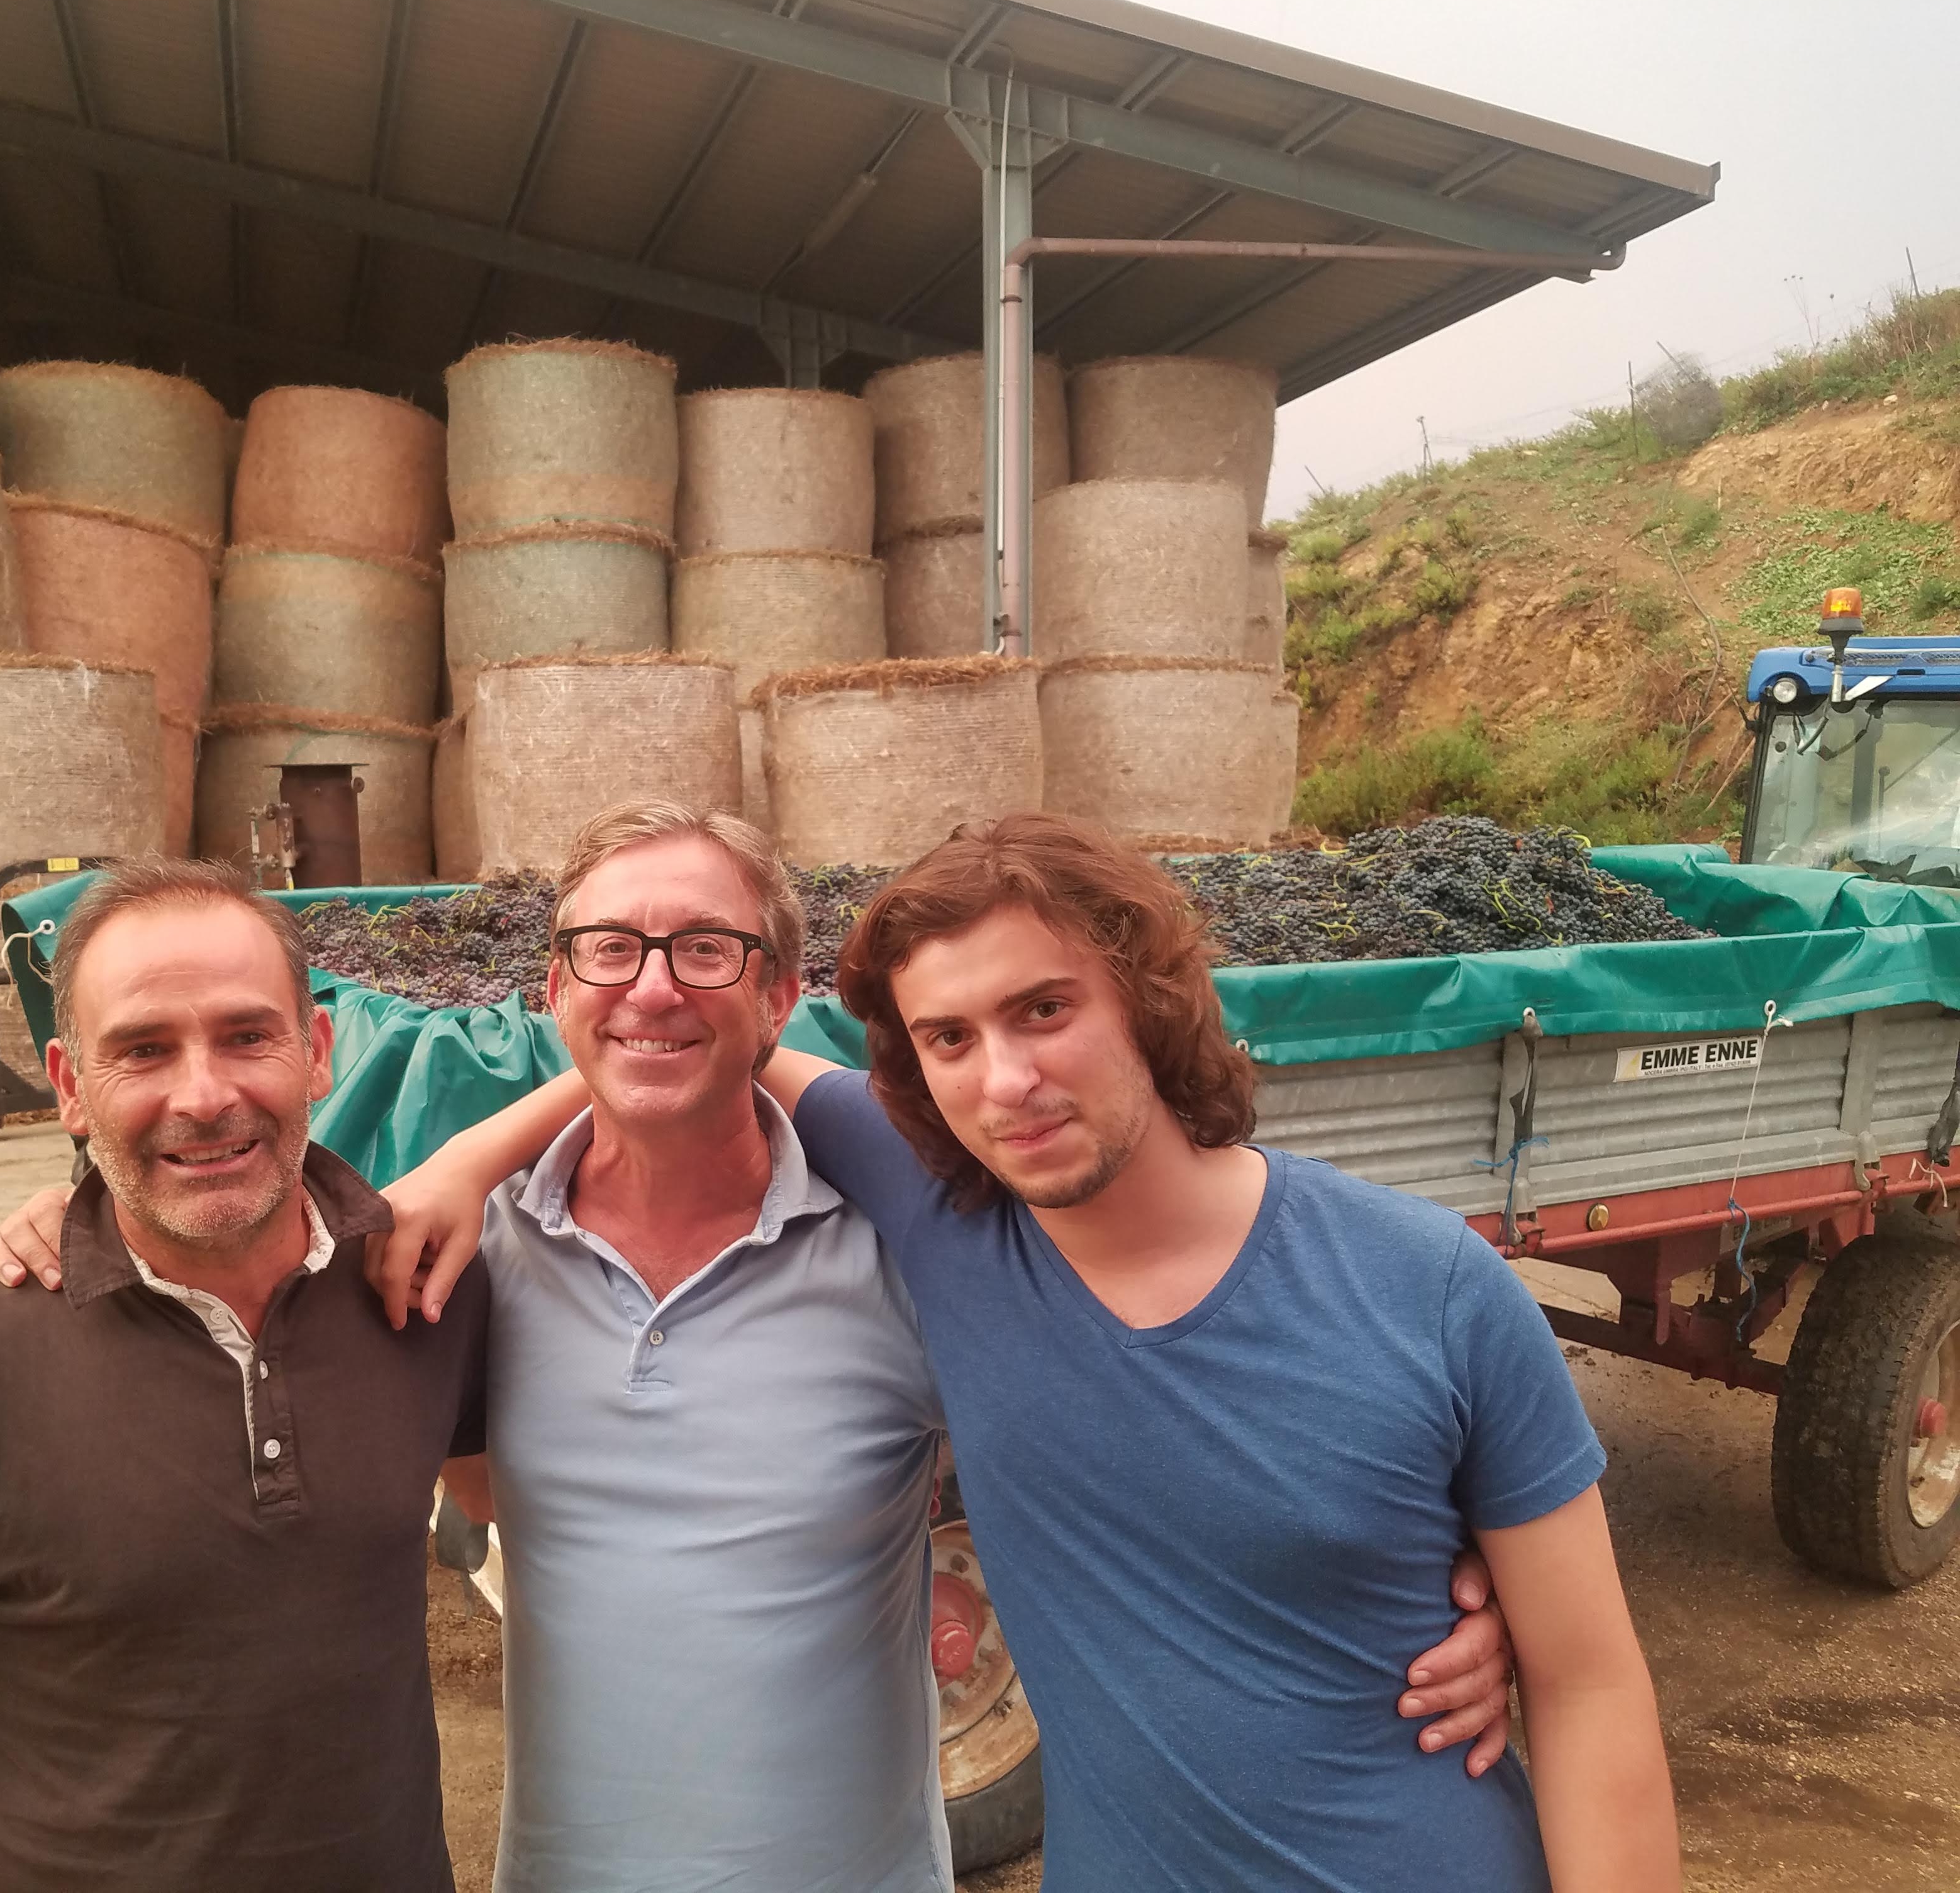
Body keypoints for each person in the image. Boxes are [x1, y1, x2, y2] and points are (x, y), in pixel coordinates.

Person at [0, 811, 1523, 1888]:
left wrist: (1448, 1587)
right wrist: (71, 1209)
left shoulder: (907, 1243)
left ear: (781, 999)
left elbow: (1167, 1399)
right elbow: (217, 1258)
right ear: (552, 991)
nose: (653, 985)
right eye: (608, 952)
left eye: (707, 949)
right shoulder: (459, 1260)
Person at [379, 811, 1681, 1893]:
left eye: (1046, 1009)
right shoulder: (951, 1236)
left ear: (1152, 996)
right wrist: (466, 1156)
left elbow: (1592, 1687)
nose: (1005, 1080)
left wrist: (1485, 1609)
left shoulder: (1432, 1285)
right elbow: (677, 1043)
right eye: (949, 1039)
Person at [0, 857, 487, 1891]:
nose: (204, 1095)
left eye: (247, 1035)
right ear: (69, 1089)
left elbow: (534, 1525)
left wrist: (485, 1159)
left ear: (317, 1051)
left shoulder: (423, 1292)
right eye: (143, 1050)